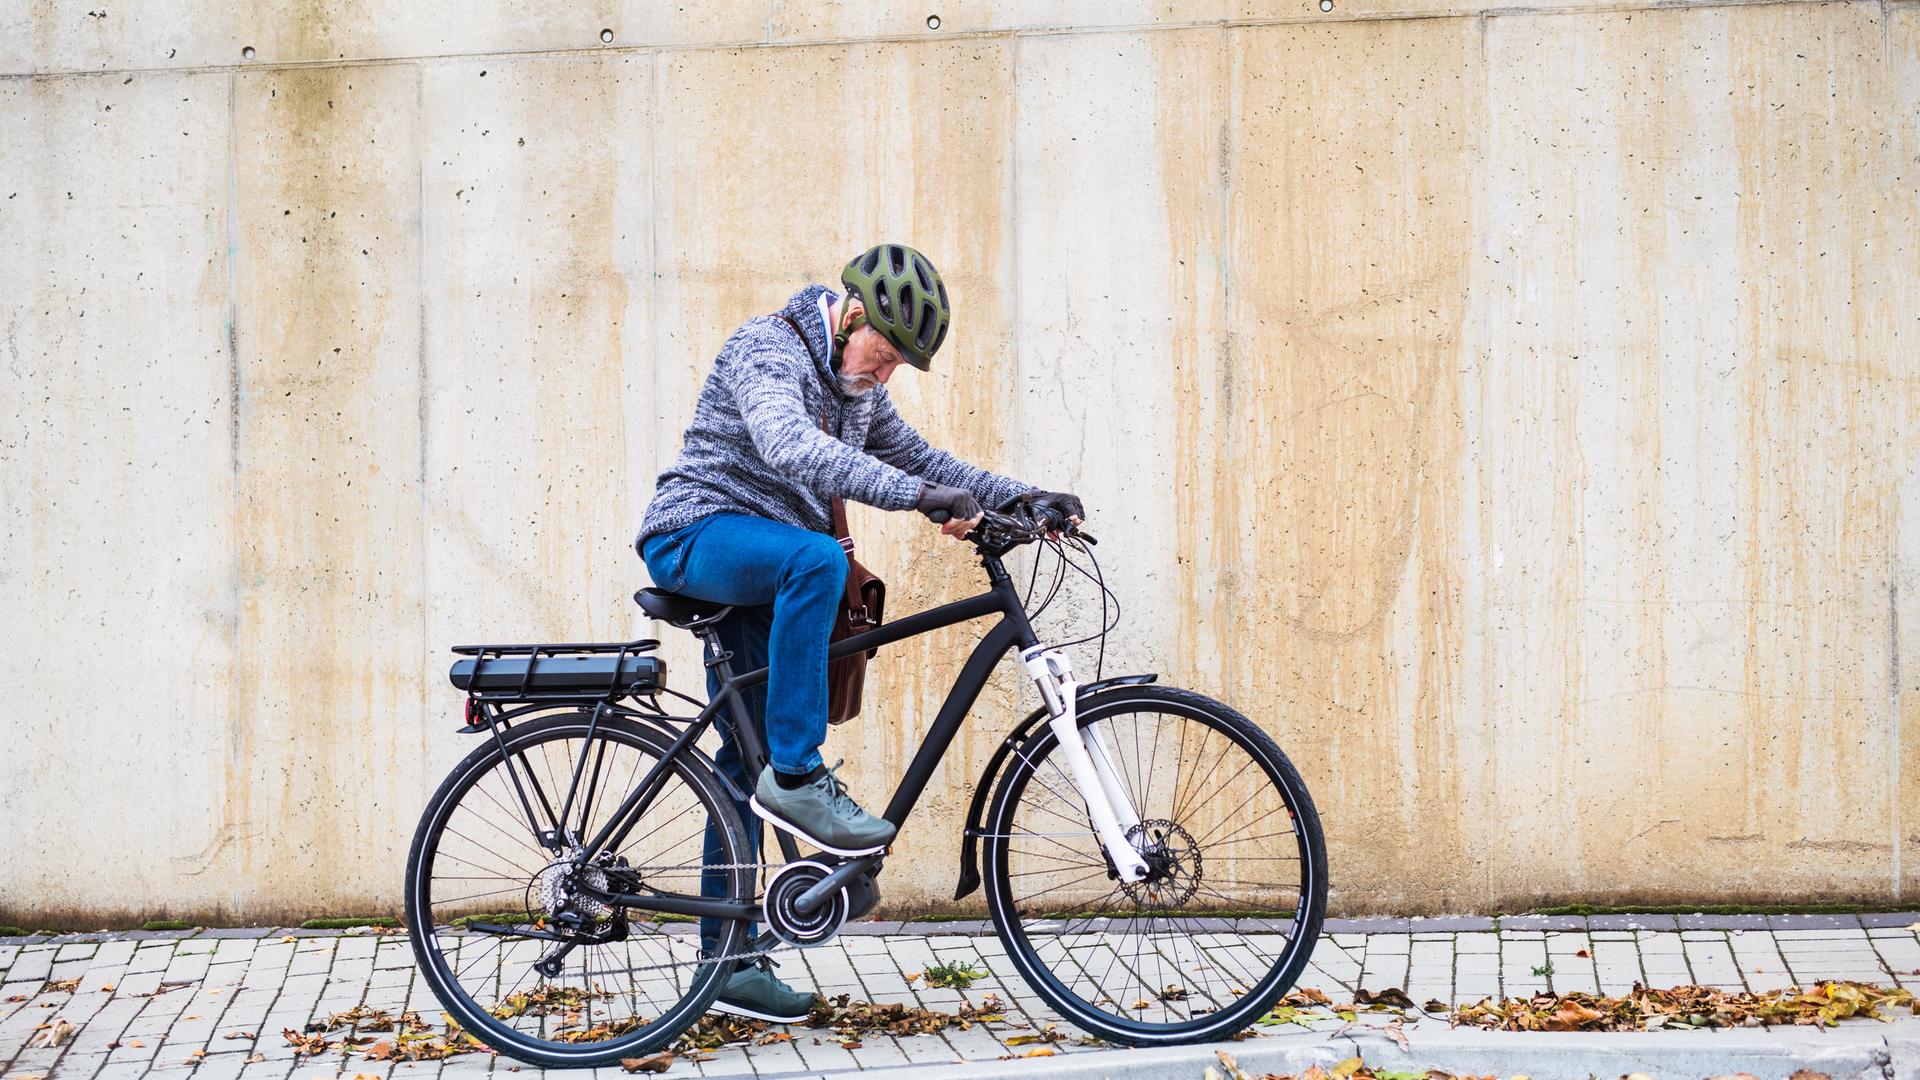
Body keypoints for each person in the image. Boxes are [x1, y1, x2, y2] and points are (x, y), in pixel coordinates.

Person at [635, 244, 1083, 1021]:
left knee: (742, 762)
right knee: (813, 561)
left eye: (902, 364)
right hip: (696, 535)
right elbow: (791, 447)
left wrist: (1025, 495)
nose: (887, 374)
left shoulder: (857, 386)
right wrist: (919, 498)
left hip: (763, 568)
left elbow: (918, 456)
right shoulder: (765, 348)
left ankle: (729, 965)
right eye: (886, 353)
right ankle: (802, 778)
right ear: (850, 317)